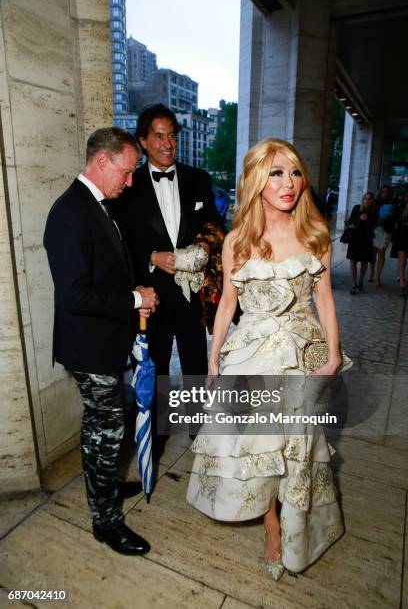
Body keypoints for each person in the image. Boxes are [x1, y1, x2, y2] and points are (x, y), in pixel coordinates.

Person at [187, 138, 350, 579]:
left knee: (297, 449)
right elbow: (225, 308)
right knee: (254, 448)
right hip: (250, 357)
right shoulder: (237, 240)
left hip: (301, 355)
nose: (289, 183)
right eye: (277, 173)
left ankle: (295, 530)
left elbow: (326, 303)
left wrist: (333, 357)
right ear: (257, 180)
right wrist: (214, 361)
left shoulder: (315, 235)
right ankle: (272, 528)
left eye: (295, 172)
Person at [43, 127, 158, 556]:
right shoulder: (70, 212)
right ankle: (105, 522)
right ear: (103, 161)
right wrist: (133, 298)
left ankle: (105, 485)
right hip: (87, 347)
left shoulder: (102, 204)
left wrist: (136, 302)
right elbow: (74, 295)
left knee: (106, 430)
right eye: (126, 172)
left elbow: (111, 274)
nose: (130, 182)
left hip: (108, 340)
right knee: (105, 432)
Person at [119, 104, 221, 458]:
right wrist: (151, 256)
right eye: (159, 136)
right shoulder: (128, 187)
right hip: (152, 296)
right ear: (143, 141)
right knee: (157, 364)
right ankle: (158, 432)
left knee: (194, 360)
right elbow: (122, 242)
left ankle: (198, 427)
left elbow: (213, 228)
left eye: (172, 136)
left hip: (191, 294)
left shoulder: (199, 179)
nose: (168, 143)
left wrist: (202, 250)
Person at [345, 192, 377, 294]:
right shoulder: (357, 208)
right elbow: (350, 221)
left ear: (372, 201)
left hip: (366, 239)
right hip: (355, 238)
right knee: (353, 261)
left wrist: (367, 220)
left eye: (369, 199)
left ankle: (361, 280)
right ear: (363, 200)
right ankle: (354, 284)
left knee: (364, 262)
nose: (367, 201)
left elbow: (374, 225)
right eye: (365, 199)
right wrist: (359, 218)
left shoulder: (373, 211)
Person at [372, 185, 395, 286]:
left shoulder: (393, 204)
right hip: (375, 230)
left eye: (387, 192)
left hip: (386, 231)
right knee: (373, 253)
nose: (384, 194)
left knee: (381, 253)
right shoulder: (375, 203)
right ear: (380, 193)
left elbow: (395, 219)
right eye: (383, 192)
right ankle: (372, 272)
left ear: (389, 193)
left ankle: (377, 276)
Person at [390, 191, 408, 295]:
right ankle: (402, 283)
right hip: (402, 237)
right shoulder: (399, 208)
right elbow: (394, 221)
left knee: (403, 261)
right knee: (402, 261)